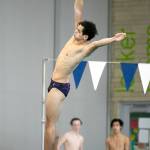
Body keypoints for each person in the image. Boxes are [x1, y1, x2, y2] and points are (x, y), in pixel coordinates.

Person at [44, 0, 127, 149]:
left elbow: (97, 43)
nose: (75, 31)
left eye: (78, 31)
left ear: (85, 37)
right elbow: (78, 10)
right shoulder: (74, 37)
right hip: (54, 83)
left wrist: (114, 39)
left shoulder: (84, 48)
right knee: (50, 124)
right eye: (76, 29)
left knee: (49, 124)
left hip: (59, 88)